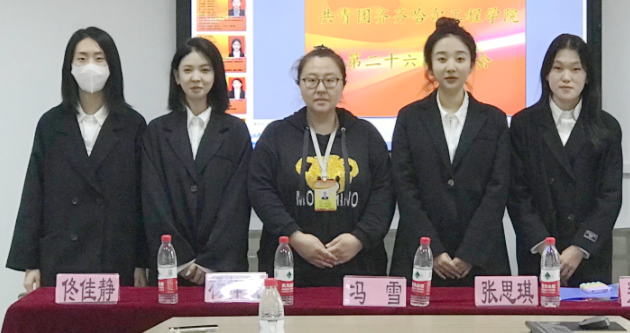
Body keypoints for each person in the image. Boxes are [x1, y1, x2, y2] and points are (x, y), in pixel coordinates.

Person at [7, 27, 147, 291]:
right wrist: (30, 263)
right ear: (69, 67)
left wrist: (142, 262)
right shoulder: (51, 124)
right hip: (62, 256)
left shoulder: (133, 125)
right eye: (82, 59)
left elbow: (143, 200)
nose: (90, 66)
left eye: (99, 58)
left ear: (112, 66)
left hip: (116, 255)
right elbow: (34, 193)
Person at [249, 46, 395, 286]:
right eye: (311, 80)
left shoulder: (366, 135)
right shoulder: (276, 135)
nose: (320, 88)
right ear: (299, 84)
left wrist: (359, 238)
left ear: (343, 84)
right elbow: (261, 191)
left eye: (330, 80)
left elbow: (384, 192)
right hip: (290, 263)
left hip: (358, 265)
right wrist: (294, 237)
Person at [390, 18, 511, 285]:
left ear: (472, 63)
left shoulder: (494, 119)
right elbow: (404, 188)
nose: (451, 67)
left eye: (460, 58)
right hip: (420, 253)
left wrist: (470, 252)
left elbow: (498, 189)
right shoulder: (410, 118)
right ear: (430, 65)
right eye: (442, 59)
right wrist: (432, 249)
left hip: (482, 257)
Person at [508, 34, 622, 285]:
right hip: (538, 254)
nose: (566, 77)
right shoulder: (523, 124)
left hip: (589, 255)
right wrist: (543, 246)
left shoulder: (607, 127)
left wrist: (580, 247)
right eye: (558, 68)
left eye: (575, 69)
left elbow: (610, 196)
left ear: (587, 76)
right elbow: (517, 193)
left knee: (589, 310)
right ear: (546, 74)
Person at [142, 37, 252, 284]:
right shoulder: (156, 132)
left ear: (216, 76)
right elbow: (153, 199)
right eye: (188, 70)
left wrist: (211, 261)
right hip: (170, 266)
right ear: (176, 77)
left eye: (204, 70)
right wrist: (179, 258)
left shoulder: (235, 131)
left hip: (222, 268)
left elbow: (237, 203)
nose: (196, 78)